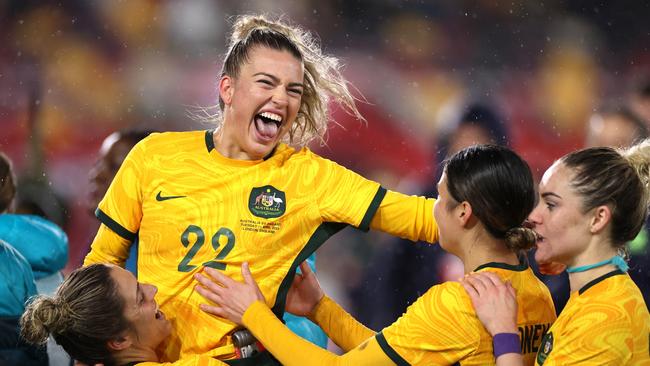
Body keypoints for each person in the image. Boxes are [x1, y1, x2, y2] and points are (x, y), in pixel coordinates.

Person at [84, 14, 438, 363]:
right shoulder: (154, 155)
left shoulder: (309, 177)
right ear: (228, 89)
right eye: (266, 83)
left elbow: (423, 217)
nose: (281, 99)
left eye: (292, 90)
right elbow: (101, 267)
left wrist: (487, 231)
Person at [194, 145, 557, 365]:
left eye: (440, 198)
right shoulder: (537, 293)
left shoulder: (457, 303)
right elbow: (392, 354)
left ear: (464, 213)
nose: (431, 209)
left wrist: (253, 314)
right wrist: (322, 309)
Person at [461, 141, 650, 365]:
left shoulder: (607, 319)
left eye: (551, 205)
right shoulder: (596, 295)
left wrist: (504, 332)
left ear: (598, 219)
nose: (533, 216)